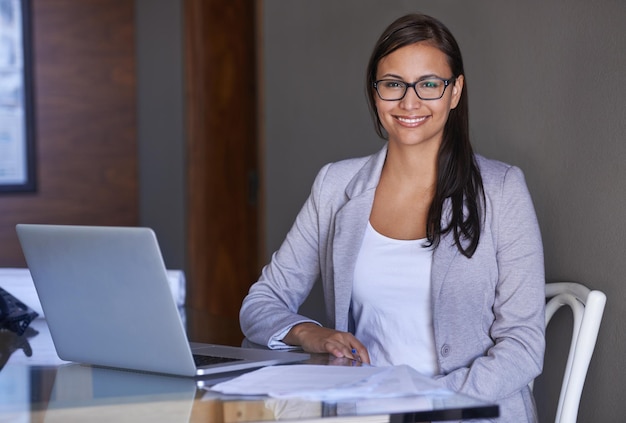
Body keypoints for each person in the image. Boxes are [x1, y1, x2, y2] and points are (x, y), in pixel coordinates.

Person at [240, 13, 545, 422]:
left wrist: (427, 401)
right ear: (375, 93)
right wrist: (312, 334)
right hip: (362, 410)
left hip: (465, 410)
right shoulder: (337, 185)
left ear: (455, 92)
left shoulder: (502, 189)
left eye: (429, 84)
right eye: (393, 84)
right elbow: (261, 303)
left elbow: (523, 345)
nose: (409, 101)